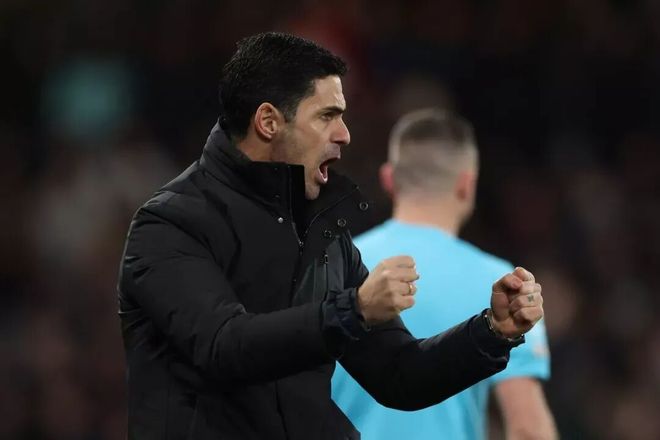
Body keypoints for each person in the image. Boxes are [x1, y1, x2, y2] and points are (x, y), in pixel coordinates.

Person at [118, 32, 545, 440]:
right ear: (268, 121)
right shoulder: (169, 225)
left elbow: (399, 373)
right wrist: (353, 310)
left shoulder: (322, 235)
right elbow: (224, 346)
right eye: (327, 116)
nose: (344, 134)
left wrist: (491, 331)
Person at [332, 108, 558, 440]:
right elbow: (528, 430)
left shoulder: (333, 265)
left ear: (389, 179)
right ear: (467, 184)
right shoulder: (504, 286)